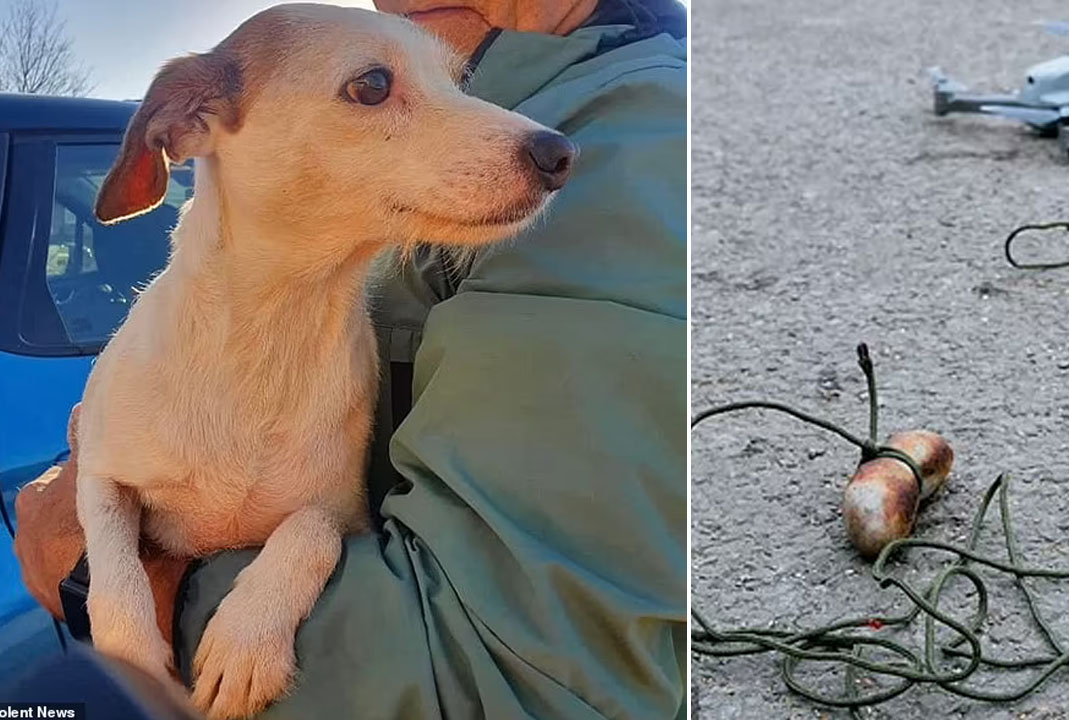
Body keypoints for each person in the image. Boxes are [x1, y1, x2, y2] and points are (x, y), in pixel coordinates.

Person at [14, 0, 688, 717]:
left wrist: (138, 592)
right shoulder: (515, 102)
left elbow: (530, 670)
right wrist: (119, 597)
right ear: (190, 122)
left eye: (383, 88)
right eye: (372, 89)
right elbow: (107, 475)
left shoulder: (632, 147)